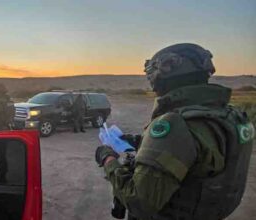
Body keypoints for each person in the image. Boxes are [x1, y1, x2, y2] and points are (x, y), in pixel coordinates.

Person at [95, 43, 254, 220]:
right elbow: (197, 154)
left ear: (167, 71)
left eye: (151, 73)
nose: (150, 81)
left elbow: (139, 201)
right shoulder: (229, 115)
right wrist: (140, 142)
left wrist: (108, 159)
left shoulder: (176, 123)